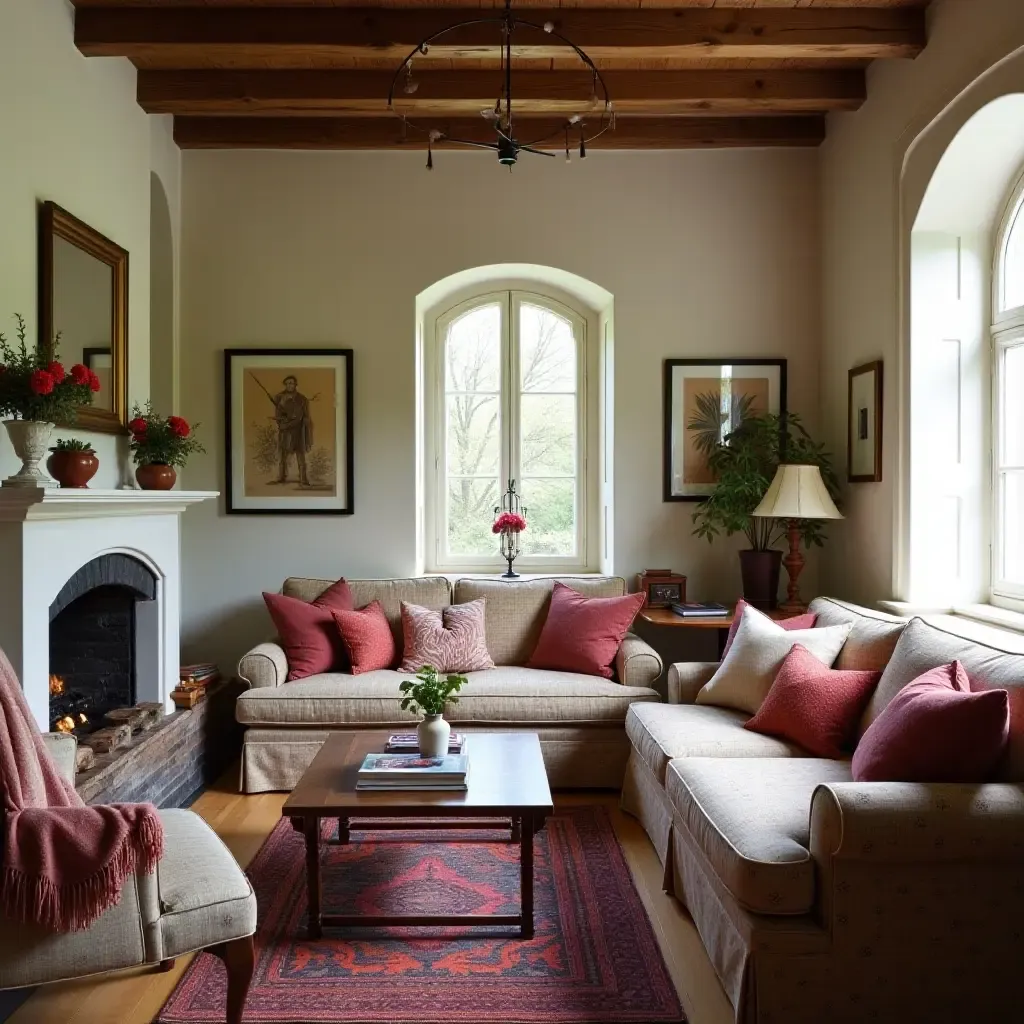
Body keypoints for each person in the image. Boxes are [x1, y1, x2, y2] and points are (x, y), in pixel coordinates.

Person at [272, 375, 312, 486]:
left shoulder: (302, 399)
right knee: (283, 455)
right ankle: (281, 477)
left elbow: (304, 416)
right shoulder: (279, 397)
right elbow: (278, 415)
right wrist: (281, 424)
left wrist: (294, 422)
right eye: (288, 383)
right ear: (285, 384)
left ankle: (303, 479)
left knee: (300, 455)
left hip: (298, 431)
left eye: (292, 383)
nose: (290, 385)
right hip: (285, 431)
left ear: (295, 385)